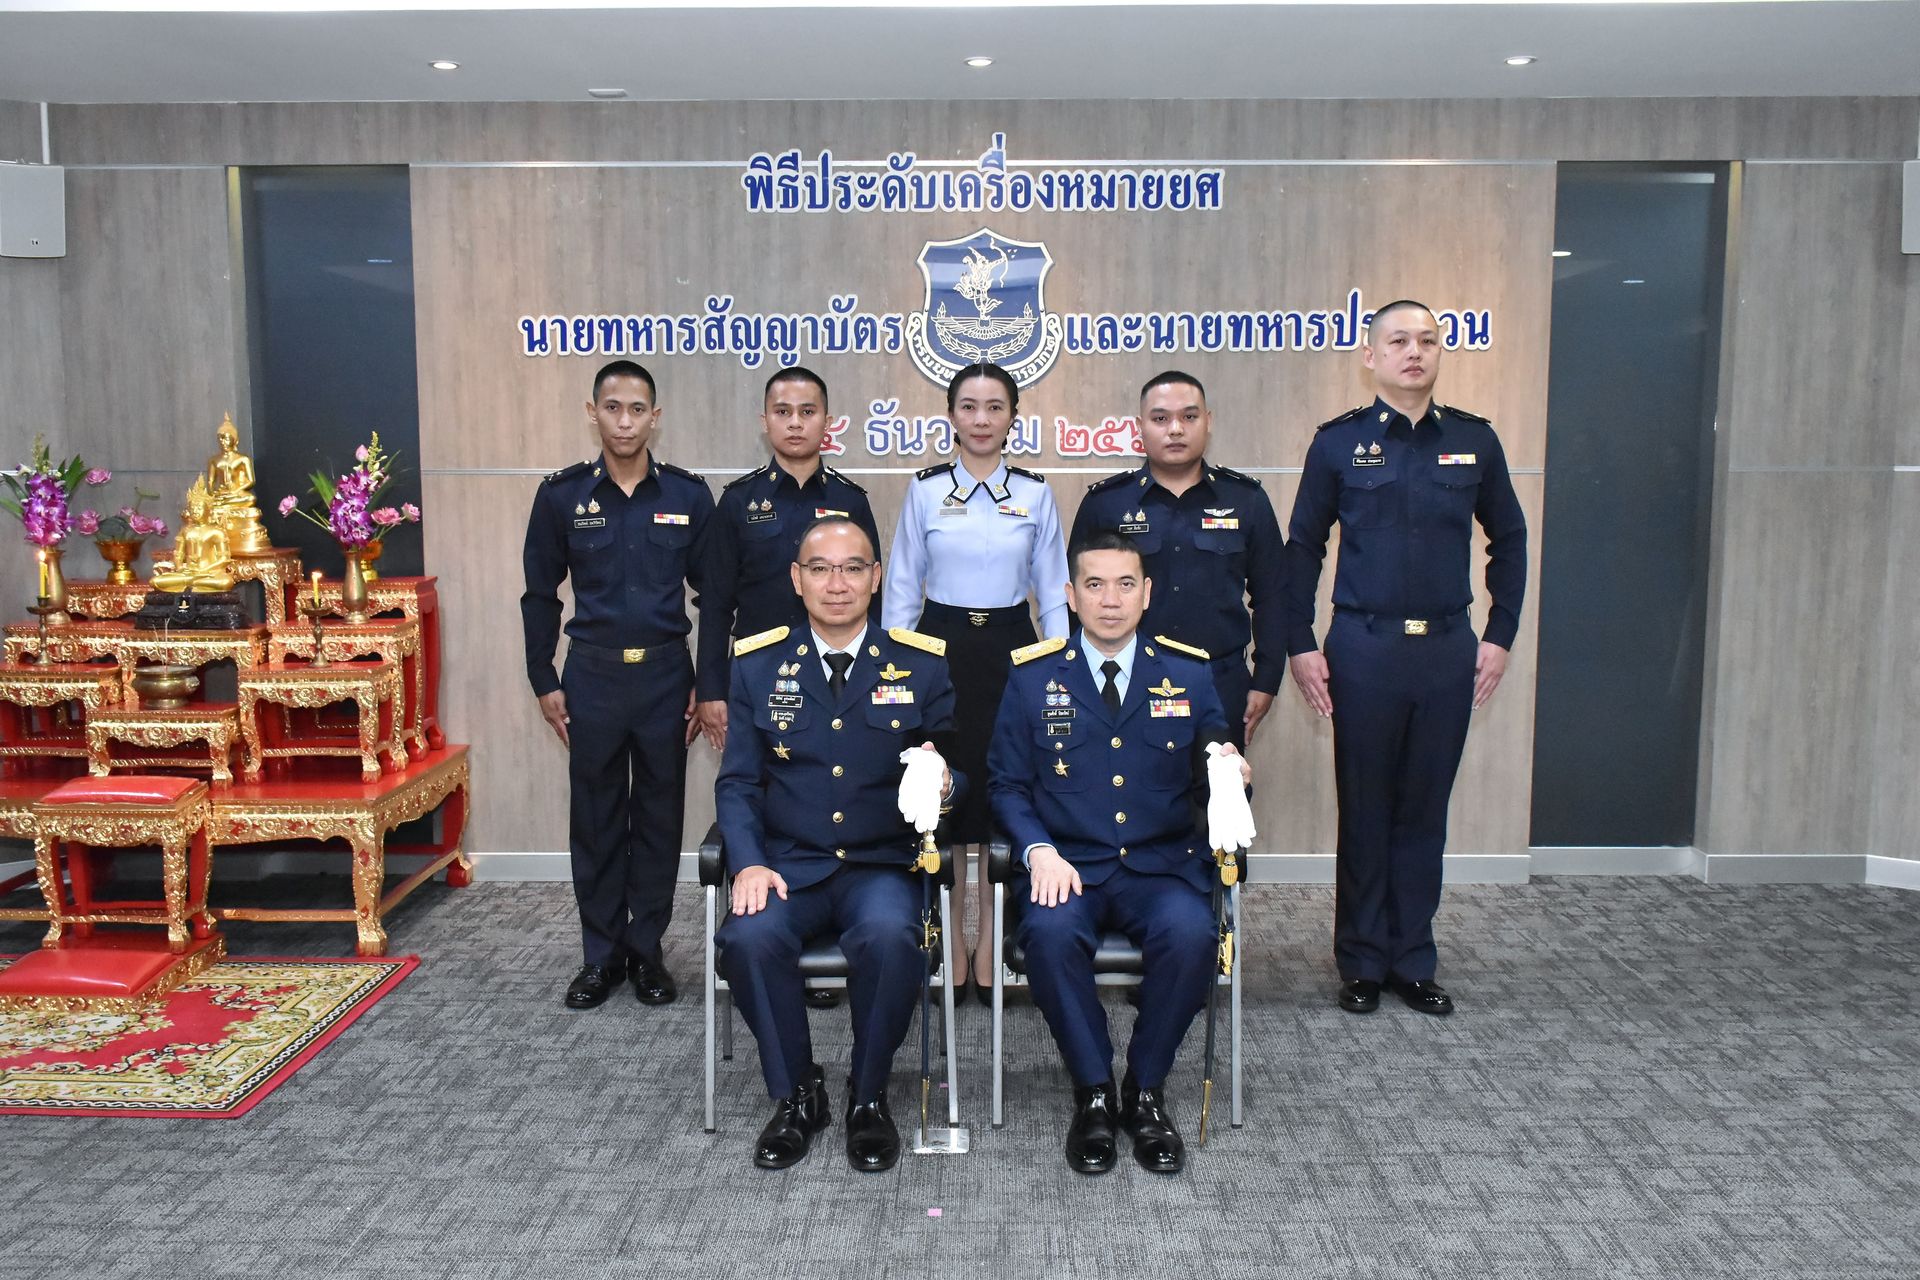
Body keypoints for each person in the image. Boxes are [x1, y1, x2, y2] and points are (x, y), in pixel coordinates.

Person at [1283, 300, 1527, 1018]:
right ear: (1371, 356)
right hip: (1365, 648)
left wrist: (1500, 634)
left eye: (1427, 340)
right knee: (1365, 808)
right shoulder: (1338, 444)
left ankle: (1412, 959)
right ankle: (1361, 961)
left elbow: (1509, 539)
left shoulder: (1475, 441)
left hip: (1447, 650)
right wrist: (1300, 642)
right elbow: (1302, 548)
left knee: (1425, 811)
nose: (1414, 352)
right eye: (1398, 340)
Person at [988, 531, 1250, 1175]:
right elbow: (1006, 785)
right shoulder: (1032, 677)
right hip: (1067, 864)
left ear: (1146, 593)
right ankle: (1094, 1091)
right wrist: (1038, 850)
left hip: (1160, 866)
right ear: (1070, 596)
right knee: (1049, 935)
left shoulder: (1188, 674)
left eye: (1125, 585)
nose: (1111, 600)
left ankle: (1145, 1089)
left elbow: (1212, 770)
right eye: (1095, 586)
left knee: (1192, 934)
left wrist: (1232, 776)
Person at [715, 517, 959, 1172]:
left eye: (853, 568)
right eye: (820, 568)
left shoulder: (920, 664)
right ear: (797, 580)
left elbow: (957, 774)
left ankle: (868, 1096)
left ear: (876, 578)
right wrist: (749, 863)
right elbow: (738, 782)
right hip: (788, 864)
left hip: (882, 864)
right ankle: (798, 1093)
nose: (837, 583)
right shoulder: (759, 664)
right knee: (747, 938)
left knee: (890, 937)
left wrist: (943, 784)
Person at [521, 359, 715, 1011]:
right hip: (593, 676)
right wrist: (542, 676)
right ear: (592, 413)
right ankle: (600, 956)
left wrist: (708, 681)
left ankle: (647, 952)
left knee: (659, 818)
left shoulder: (688, 497)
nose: (624, 421)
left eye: (637, 410)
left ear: (655, 417)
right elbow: (539, 594)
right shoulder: (561, 496)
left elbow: (714, 598)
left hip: (666, 677)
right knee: (597, 819)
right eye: (612, 408)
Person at [882, 362, 1068, 1004]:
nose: (981, 419)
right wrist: (897, 666)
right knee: (943, 796)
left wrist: (1058, 667)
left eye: (994, 407)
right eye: (969, 407)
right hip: (940, 649)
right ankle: (945, 943)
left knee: (999, 793)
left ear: (1013, 417)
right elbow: (901, 586)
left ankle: (988, 944)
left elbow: (1053, 591)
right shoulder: (925, 490)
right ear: (951, 416)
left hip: (1012, 649)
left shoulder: (1036, 493)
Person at [1069, 371, 1287, 750]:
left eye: (1189, 416)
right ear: (1139, 426)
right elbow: (1079, 601)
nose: (1175, 429)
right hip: (1127, 682)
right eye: (1160, 418)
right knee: (1128, 786)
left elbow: (1273, 595)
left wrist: (1266, 678)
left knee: (1220, 785)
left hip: (1220, 682)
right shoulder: (1106, 504)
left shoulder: (1246, 500)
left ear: (1208, 421)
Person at [695, 365, 882, 750]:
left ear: (827, 422)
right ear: (765, 421)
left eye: (807, 412)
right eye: (783, 412)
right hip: (756, 670)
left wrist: (872, 674)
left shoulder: (850, 501)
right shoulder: (738, 501)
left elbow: (871, 599)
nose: (795, 422)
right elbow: (715, 602)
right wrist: (711, 689)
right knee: (752, 777)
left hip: (837, 672)